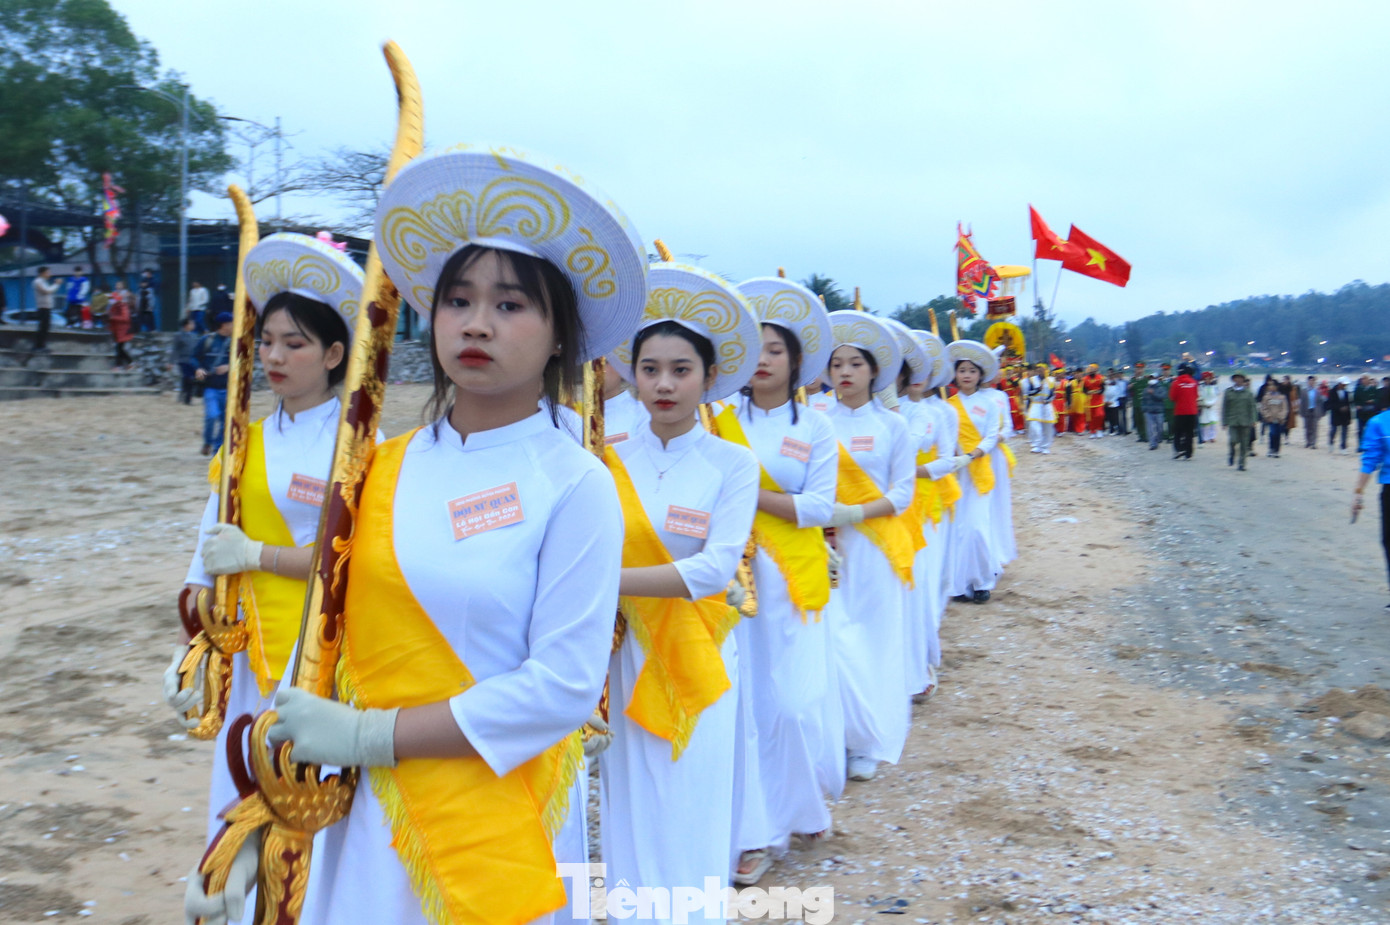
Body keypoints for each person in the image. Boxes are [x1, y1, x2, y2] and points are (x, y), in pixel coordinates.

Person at [191, 148, 650, 925]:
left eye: (510, 305)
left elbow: (564, 688)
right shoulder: (374, 468)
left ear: (560, 335)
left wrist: (375, 733)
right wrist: (263, 817)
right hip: (359, 817)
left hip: (488, 817)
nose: (476, 322)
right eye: (457, 299)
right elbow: (328, 641)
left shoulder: (576, 483)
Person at [164, 232, 361, 870]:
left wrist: (257, 556)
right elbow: (209, 545)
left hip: (320, 652)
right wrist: (196, 643)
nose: (274, 356)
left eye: (294, 344)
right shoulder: (242, 440)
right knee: (239, 780)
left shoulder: (362, 448)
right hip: (250, 655)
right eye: (267, 341)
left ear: (334, 353)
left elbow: (348, 562)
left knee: (303, 799)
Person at [600, 262, 760, 922]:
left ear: (709, 378)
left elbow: (714, 569)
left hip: (698, 651)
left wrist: (605, 582)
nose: (664, 383)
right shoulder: (604, 455)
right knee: (628, 797)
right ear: (631, 373)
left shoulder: (732, 463)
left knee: (690, 795)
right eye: (650, 368)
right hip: (622, 652)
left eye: (681, 369)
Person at [718, 276, 840, 886]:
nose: (762, 360)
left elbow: (821, 507)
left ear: (796, 361)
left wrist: (756, 495)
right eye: (753, 349)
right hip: (732, 578)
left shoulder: (816, 428)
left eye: (774, 350)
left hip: (791, 578)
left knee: (790, 705)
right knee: (743, 705)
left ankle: (800, 804)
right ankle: (755, 834)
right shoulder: (716, 418)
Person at [819, 311, 916, 784]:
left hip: (874, 545)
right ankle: (837, 732)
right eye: (837, 363)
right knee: (834, 638)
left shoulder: (893, 427)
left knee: (872, 639)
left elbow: (903, 494)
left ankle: (868, 741)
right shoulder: (815, 422)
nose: (845, 372)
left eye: (855, 363)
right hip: (825, 545)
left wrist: (855, 513)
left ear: (874, 371)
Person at [946, 340, 1006, 604]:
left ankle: (982, 582)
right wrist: (953, 458)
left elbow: (992, 436)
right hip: (954, 475)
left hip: (980, 471)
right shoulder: (947, 406)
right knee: (957, 531)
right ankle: (958, 585)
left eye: (972, 370)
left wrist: (972, 455)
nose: (967, 375)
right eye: (962, 370)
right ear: (955, 374)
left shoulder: (990, 403)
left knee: (977, 528)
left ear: (980, 375)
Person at [1352, 404, 1390, 606]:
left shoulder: (1379, 422)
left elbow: (1370, 460)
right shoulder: (1379, 422)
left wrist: (1358, 492)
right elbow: (1370, 459)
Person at [194, 312, 234, 455]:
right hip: (210, 388)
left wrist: (230, 366)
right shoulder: (207, 340)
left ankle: (217, 449)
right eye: (231, 322)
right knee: (212, 416)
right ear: (224, 325)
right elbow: (194, 357)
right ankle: (207, 441)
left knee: (226, 421)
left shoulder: (235, 343)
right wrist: (198, 369)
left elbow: (244, 362)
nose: (234, 325)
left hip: (229, 388)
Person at [1221, 373, 1257, 470]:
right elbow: (1225, 408)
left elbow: (1252, 407)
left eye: (1240, 378)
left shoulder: (1248, 393)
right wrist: (1224, 421)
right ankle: (1232, 454)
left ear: (1243, 380)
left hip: (1245, 421)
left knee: (1244, 444)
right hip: (1233, 421)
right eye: (1236, 378)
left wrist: (1253, 420)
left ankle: (1242, 464)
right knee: (1233, 440)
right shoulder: (1228, 392)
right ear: (1233, 380)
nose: (1238, 380)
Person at [1022, 362, 1057, 453]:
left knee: (1048, 426)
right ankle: (1036, 445)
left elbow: (1053, 394)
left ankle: (1045, 446)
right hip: (1035, 404)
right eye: (1038, 369)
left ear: (1046, 370)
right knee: (1034, 424)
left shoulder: (1051, 380)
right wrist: (1037, 389)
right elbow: (1029, 393)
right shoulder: (1032, 380)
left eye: (1042, 369)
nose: (1039, 370)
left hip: (1046, 405)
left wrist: (1047, 401)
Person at [168, 315, 201, 404]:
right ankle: (187, 399)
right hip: (183, 360)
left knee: (189, 379)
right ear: (186, 325)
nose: (193, 325)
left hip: (193, 361)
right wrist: (171, 362)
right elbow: (175, 349)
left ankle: (184, 395)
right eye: (191, 323)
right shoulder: (179, 336)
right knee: (188, 378)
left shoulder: (194, 336)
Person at [1169, 364, 1199, 459]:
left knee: (1178, 432)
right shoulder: (1194, 382)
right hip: (1192, 411)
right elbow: (1196, 396)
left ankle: (1178, 450)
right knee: (1189, 433)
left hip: (1180, 412)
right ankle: (1188, 453)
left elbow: (1172, 397)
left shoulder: (1176, 383)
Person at [107, 279, 135, 368]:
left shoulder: (123, 306)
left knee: (119, 348)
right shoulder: (116, 306)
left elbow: (125, 318)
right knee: (119, 348)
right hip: (118, 330)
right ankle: (128, 364)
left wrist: (113, 317)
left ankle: (121, 365)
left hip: (123, 330)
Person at [30, 266, 58, 353]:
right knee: (43, 327)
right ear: (42, 273)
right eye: (48, 272)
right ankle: (38, 346)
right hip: (43, 307)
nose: (49, 274)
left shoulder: (44, 282)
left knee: (45, 327)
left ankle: (41, 345)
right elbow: (46, 291)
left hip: (47, 307)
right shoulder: (38, 281)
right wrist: (56, 284)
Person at [1258, 381, 1289, 458]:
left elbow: (1285, 408)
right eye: (1269, 385)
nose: (1270, 387)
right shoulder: (1266, 397)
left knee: (1278, 434)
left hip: (1279, 419)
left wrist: (1281, 416)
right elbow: (1263, 408)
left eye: (1272, 385)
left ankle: (1276, 450)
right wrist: (1267, 416)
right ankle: (1271, 449)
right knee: (1272, 433)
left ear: (1276, 387)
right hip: (1270, 419)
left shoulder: (1282, 397)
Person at [1141, 375, 1166, 451]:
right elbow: (1143, 400)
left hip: (1159, 411)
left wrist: (1153, 393)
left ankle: (1157, 439)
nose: (1152, 379)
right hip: (1149, 411)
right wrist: (1144, 409)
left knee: (1160, 428)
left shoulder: (1161, 388)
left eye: (1153, 378)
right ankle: (1152, 444)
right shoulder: (1146, 389)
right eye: (1150, 378)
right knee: (1150, 429)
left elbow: (1162, 397)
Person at [1327, 378, 1353, 454]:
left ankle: (1343, 447)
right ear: (1339, 383)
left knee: (1344, 432)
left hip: (1344, 415)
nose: (1345, 386)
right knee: (1333, 430)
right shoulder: (1332, 392)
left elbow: (1348, 405)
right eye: (1344, 384)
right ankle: (1331, 442)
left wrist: (1349, 417)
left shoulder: (1346, 393)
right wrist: (1339, 408)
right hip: (1335, 415)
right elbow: (1330, 404)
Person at [1080, 364, 1106, 438]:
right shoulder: (1085, 379)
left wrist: (1099, 392)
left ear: (1096, 370)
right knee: (1091, 417)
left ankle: (1099, 429)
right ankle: (1092, 431)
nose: (1091, 370)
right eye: (1090, 369)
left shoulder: (1101, 378)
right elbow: (1084, 389)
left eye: (1093, 369)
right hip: (1089, 400)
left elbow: (1103, 388)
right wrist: (1087, 392)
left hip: (1098, 399)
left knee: (1100, 415)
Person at [1355, 375, 1380, 451]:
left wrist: (1373, 401)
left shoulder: (1373, 389)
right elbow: (1355, 399)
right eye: (1362, 379)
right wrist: (1357, 405)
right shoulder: (1359, 389)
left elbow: (1377, 399)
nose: (1363, 380)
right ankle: (1360, 445)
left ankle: (1369, 445)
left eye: (1365, 379)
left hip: (1370, 412)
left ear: (1368, 380)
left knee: (1369, 429)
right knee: (1360, 430)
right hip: (1361, 412)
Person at [1300, 375, 1324, 447]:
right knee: (1307, 427)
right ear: (1308, 382)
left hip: (1315, 411)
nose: (1312, 382)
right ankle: (1308, 442)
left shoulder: (1317, 391)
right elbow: (1302, 403)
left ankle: (1313, 443)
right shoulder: (1304, 391)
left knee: (1314, 428)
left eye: (1313, 381)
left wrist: (1321, 413)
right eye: (1310, 381)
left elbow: (1320, 403)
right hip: (1307, 411)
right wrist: (1301, 412)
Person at [1130, 362, 1151, 443]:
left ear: (1143, 369)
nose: (1139, 370)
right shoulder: (1133, 380)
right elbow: (1130, 391)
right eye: (1138, 368)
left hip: (1144, 403)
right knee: (1138, 420)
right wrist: (1129, 388)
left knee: (1144, 420)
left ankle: (1145, 435)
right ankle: (1140, 435)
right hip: (1136, 403)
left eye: (1141, 368)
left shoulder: (1146, 379)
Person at [1198, 371, 1220, 444]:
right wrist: (1203, 404)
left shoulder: (1214, 387)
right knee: (1204, 424)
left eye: (1208, 379)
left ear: (1211, 379)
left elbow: (1216, 396)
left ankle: (1212, 437)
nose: (1207, 380)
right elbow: (1199, 396)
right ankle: (1204, 437)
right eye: (1205, 379)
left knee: (1212, 423)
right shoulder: (1201, 387)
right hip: (1204, 406)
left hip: (1212, 407)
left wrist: (1211, 404)